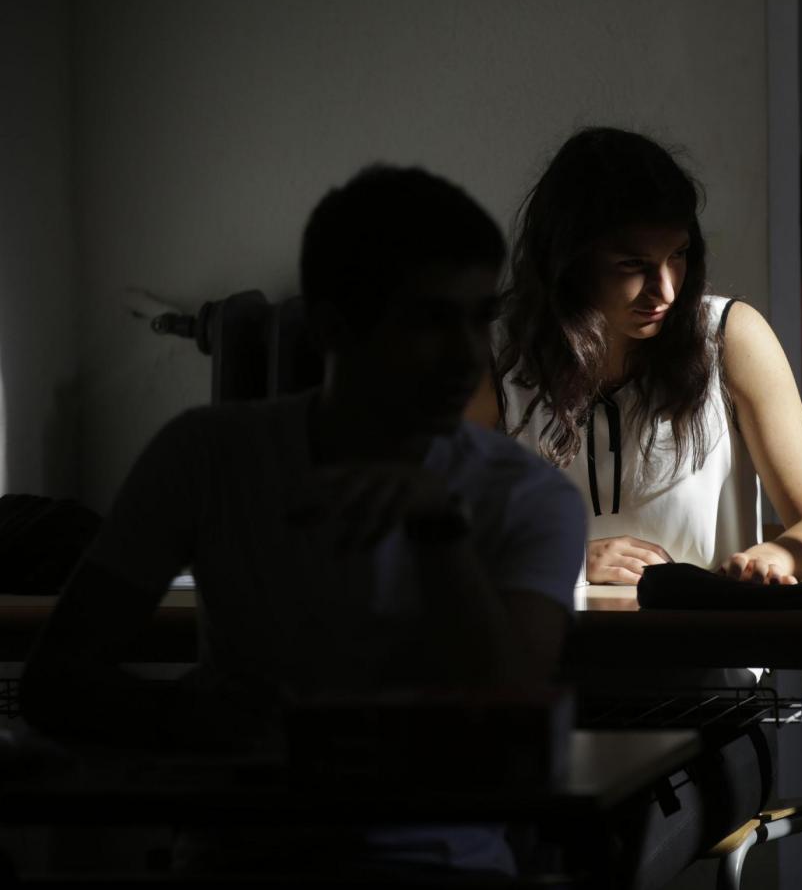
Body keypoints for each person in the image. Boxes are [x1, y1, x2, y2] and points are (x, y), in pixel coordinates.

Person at [21, 165, 586, 878]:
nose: (468, 353)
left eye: (479, 318)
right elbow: (53, 683)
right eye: (428, 320)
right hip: (237, 860)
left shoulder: (528, 495)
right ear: (331, 327)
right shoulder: (207, 454)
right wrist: (186, 715)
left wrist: (436, 525)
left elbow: (511, 728)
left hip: (442, 868)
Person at [481, 126, 802, 888]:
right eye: (632, 266)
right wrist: (571, 557)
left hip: (708, 705)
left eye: (679, 255)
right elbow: (449, 539)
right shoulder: (499, 354)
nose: (666, 289)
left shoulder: (728, 336)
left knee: (597, 856)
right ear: (569, 260)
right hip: (545, 700)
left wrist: (777, 556)